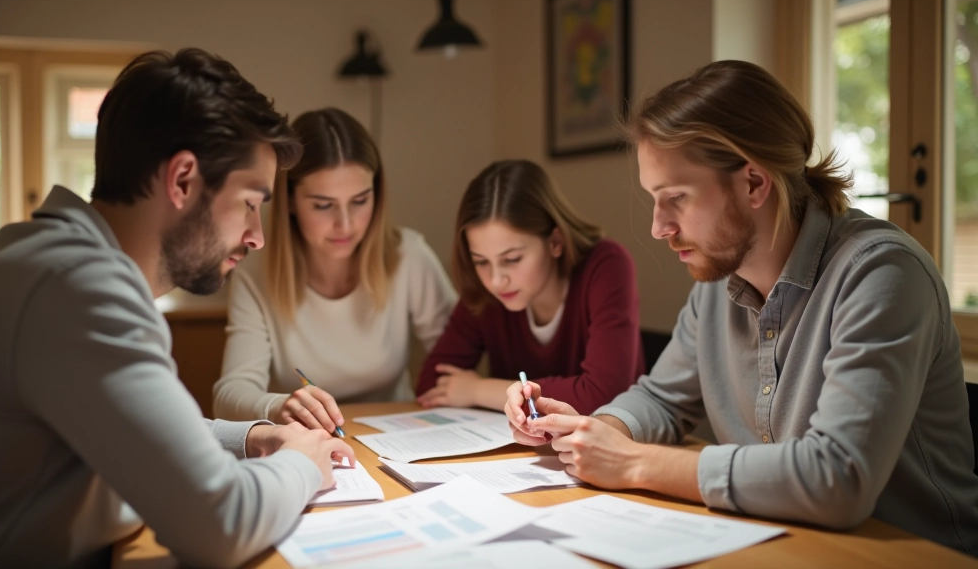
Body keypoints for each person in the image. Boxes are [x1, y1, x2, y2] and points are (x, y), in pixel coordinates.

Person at [505, 60, 978, 555]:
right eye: (653, 199)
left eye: (677, 199)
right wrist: (594, 431)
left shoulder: (882, 275)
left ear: (754, 183)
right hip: (784, 543)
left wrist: (632, 463)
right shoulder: (718, 280)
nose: (658, 227)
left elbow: (838, 479)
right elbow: (663, 400)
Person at [0, 48, 355, 569]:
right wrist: (302, 463)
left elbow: (150, 430)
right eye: (250, 203)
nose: (256, 237)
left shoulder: (56, 265)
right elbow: (221, 526)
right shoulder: (79, 289)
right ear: (183, 180)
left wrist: (256, 435)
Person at [214, 108, 456, 431]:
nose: (345, 224)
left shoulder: (408, 256)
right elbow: (229, 395)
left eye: (360, 201)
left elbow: (460, 360)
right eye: (323, 205)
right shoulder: (255, 272)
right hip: (311, 443)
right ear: (289, 201)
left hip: (401, 440)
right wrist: (279, 405)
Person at [417, 160, 644, 415]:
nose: (496, 280)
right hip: (523, 450)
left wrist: (477, 390)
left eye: (512, 259)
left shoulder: (606, 266)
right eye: (481, 261)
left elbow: (604, 396)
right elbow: (432, 386)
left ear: (555, 242)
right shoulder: (487, 291)